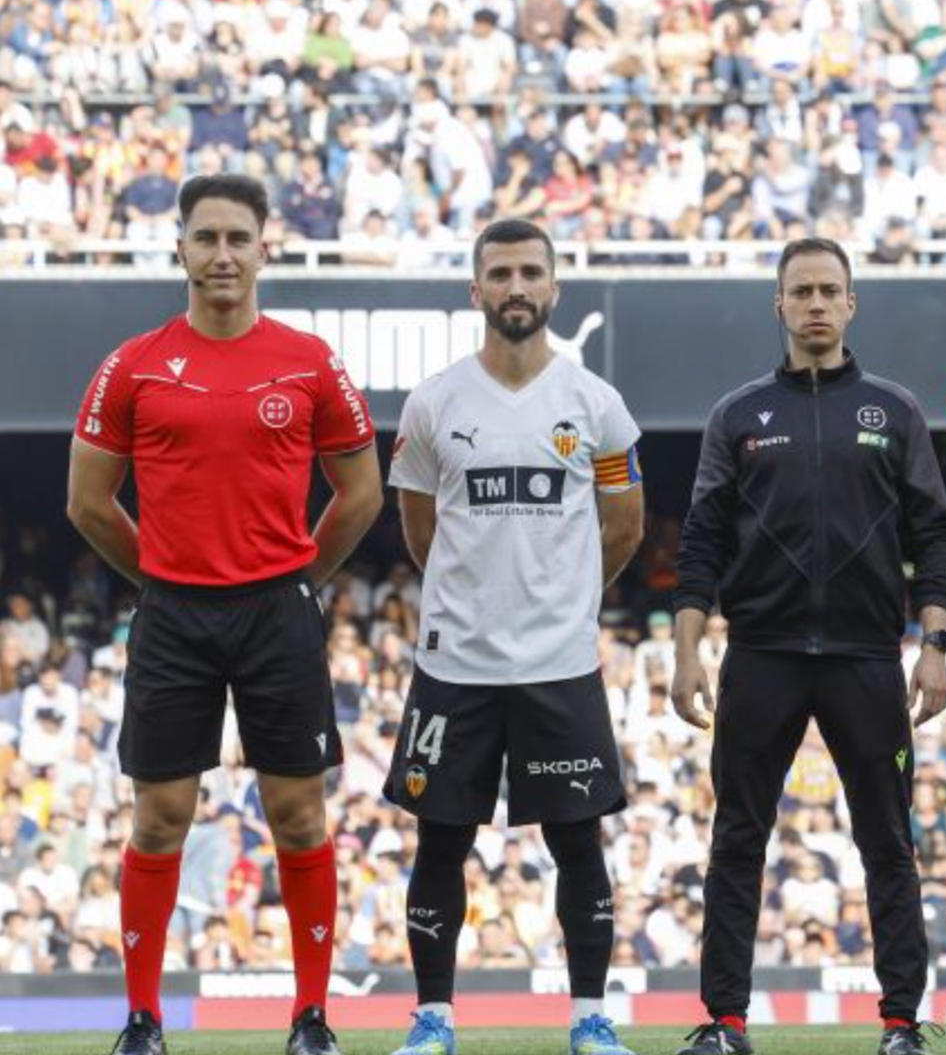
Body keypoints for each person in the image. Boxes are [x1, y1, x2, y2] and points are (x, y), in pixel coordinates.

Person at [66, 173, 384, 1055]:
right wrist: (165, 576)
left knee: (298, 817)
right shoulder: (131, 364)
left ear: (263, 249)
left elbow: (359, 493)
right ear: (180, 249)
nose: (221, 255)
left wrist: (296, 578)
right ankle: (141, 1020)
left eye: (237, 239)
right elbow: (88, 502)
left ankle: (311, 1018)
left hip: (278, 615)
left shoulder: (310, 360)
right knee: (160, 816)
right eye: (205, 238)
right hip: (173, 619)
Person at [671, 237, 946, 1055]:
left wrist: (933, 640)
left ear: (852, 303)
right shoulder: (740, 414)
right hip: (760, 654)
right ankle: (724, 1022)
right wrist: (688, 653)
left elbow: (932, 536)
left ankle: (902, 1022)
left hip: (869, 659)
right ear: (781, 305)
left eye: (831, 290)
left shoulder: (894, 410)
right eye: (803, 292)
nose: (818, 304)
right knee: (736, 842)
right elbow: (700, 543)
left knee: (888, 844)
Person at [382, 219, 646, 1055]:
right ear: (476, 290)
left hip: (558, 666)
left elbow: (626, 524)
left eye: (531, 272)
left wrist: (561, 600)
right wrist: (473, 601)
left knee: (578, 842)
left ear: (555, 286)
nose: (516, 287)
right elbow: (419, 529)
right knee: (440, 840)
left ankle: (589, 1019)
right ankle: (434, 1020)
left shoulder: (595, 404)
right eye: (500, 274)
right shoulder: (434, 402)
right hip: (453, 667)